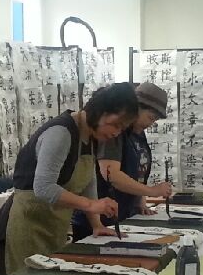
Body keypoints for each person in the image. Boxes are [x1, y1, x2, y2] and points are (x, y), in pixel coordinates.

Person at [4, 83, 139, 274]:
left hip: (55, 225)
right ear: (100, 111)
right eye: (116, 124)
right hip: (30, 224)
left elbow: (88, 181)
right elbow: (43, 187)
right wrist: (91, 205)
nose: (116, 133)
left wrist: (97, 224)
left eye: (122, 128)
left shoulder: (90, 136)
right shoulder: (61, 133)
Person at [72, 81, 173, 239]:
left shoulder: (137, 133)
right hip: (100, 218)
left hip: (123, 215)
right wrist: (152, 191)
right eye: (150, 117)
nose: (150, 124)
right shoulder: (112, 132)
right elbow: (111, 175)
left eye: (154, 121)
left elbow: (137, 171)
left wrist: (140, 200)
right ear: (135, 108)